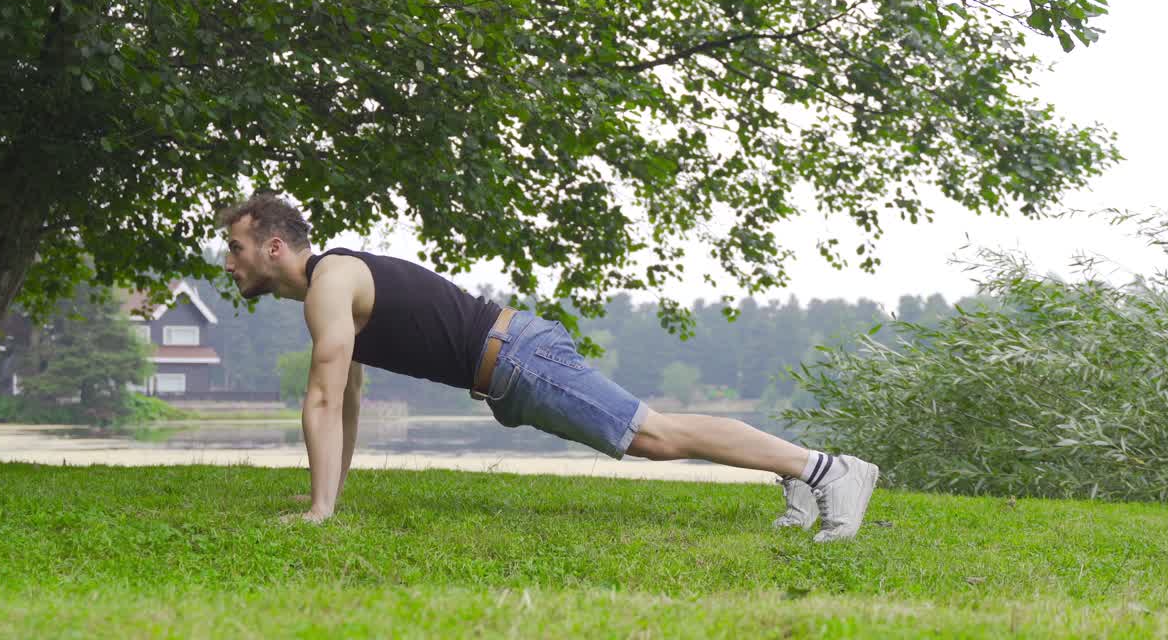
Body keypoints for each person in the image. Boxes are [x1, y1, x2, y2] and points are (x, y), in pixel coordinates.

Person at [218, 194, 879, 541]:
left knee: (654, 435)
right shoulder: (334, 288)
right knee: (653, 434)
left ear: (274, 246)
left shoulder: (332, 280)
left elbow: (325, 400)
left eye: (237, 247)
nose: (230, 261)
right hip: (512, 363)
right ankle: (798, 473)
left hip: (521, 360)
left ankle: (828, 471)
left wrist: (318, 512)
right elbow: (350, 398)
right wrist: (328, 501)